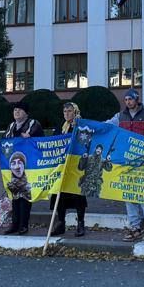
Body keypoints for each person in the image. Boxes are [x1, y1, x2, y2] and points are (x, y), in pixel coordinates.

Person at [108, 89, 144, 241]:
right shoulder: (120, 116)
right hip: (126, 161)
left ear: (137, 99)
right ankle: (134, 227)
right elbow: (107, 126)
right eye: (126, 100)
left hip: (143, 161)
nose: (128, 102)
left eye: (130, 99)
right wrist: (88, 124)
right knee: (129, 193)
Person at [0, 103, 43, 235]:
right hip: (13, 165)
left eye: (19, 110)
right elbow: (6, 144)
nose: (16, 112)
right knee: (14, 194)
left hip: (29, 165)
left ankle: (23, 225)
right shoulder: (11, 126)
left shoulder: (33, 124)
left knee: (25, 194)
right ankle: (15, 223)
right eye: (15, 110)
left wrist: (30, 139)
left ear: (26, 112)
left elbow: (39, 141)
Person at [48, 101, 88, 236]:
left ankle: (81, 223)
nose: (67, 114)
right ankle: (61, 223)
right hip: (62, 166)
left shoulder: (81, 126)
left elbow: (86, 142)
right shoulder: (61, 127)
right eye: (65, 111)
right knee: (60, 194)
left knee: (77, 194)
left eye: (70, 111)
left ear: (75, 111)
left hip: (77, 166)